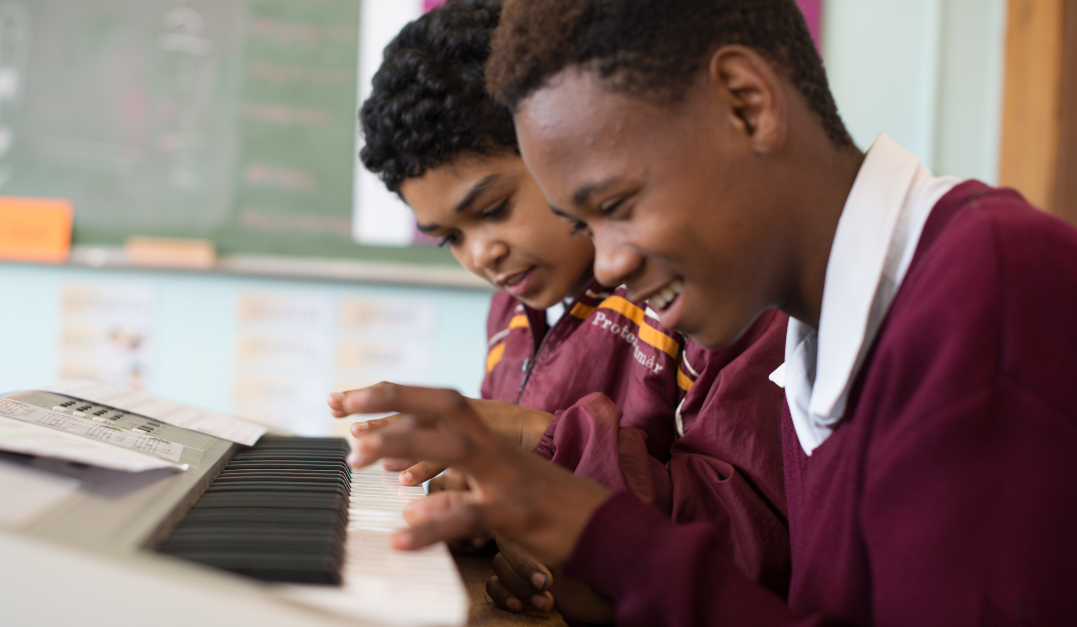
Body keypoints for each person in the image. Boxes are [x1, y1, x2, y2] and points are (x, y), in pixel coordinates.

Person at [337, 0, 1077, 624]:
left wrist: (596, 530)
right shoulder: (817, 329)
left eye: (617, 205)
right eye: (584, 224)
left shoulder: (993, 286)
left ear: (746, 104)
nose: (606, 266)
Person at [330, 1, 791, 621]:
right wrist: (476, 504)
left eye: (493, 209)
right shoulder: (512, 315)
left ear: (558, 145)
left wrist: (535, 438)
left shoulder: (704, 290)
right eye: (450, 237)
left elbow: (755, 539)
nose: (481, 253)